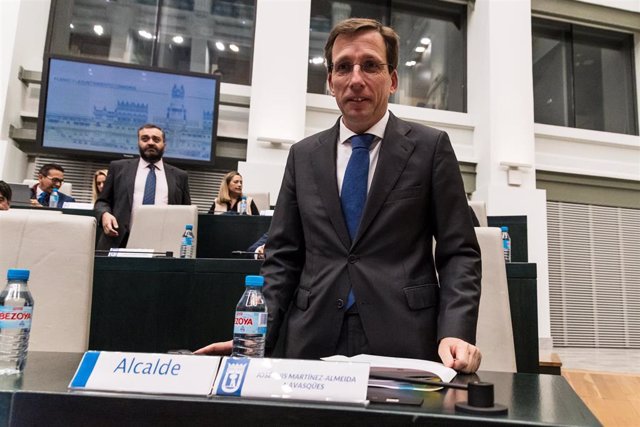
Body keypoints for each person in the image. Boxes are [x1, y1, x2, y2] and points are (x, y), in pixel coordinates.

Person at [197, 19, 482, 373]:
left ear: (392, 80)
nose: (356, 79)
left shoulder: (430, 148)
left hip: (405, 337)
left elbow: (459, 252)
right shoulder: (303, 156)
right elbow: (284, 257)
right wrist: (256, 337)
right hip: (311, 337)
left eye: (371, 65)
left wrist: (454, 331)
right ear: (330, 82)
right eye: (343, 67)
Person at [95, 124, 192, 250]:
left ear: (164, 145)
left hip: (163, 246)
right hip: (119, 241)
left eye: (156, 139)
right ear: (138, 142)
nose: (151, 143)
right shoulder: (118, 168)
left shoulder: (180, 176)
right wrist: (104, 214)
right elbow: (102, 202)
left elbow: (186, 214)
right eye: (145, 139)